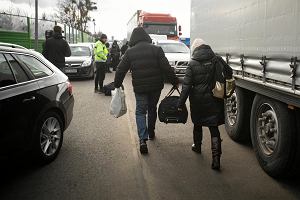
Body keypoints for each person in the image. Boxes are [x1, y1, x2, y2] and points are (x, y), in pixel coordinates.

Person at [114, 27, 179, 154]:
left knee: (140, 111)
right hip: (155, 87)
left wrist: (117, 84)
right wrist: (175, 82)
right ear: (146, 37)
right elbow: (166, 67)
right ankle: (151, 132)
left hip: (140, 88)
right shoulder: (156, 50)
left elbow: (120, 69)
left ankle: (142, 140)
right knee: (152, 108)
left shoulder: (130, 52)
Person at [177, 39, 232, 170]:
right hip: (215, 98)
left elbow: (186, 86)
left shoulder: (192, 64)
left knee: (197, 123)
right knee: (214, 127)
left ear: (195, 49)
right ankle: (216, 159)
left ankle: (197, 146)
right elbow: (229, 72)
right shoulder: (217, 59)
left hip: (197, 100)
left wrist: (180, 103)